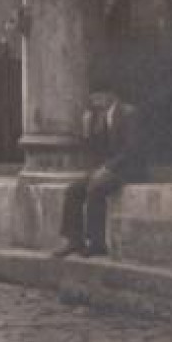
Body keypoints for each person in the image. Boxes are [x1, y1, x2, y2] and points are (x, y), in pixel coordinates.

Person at [54, 80, 147, 258]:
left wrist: (107, 168)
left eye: (99, 97)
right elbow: (94, 151)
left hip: (130, 169)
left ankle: (97, 244)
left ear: (111, 95)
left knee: (95, 188)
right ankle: (74, 241)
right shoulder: (98, 117)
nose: (96, 102)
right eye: (93, 98)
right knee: (73, 189)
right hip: (108, 169)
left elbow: (133, 149)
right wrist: (87, 130)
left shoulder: (129, 113)